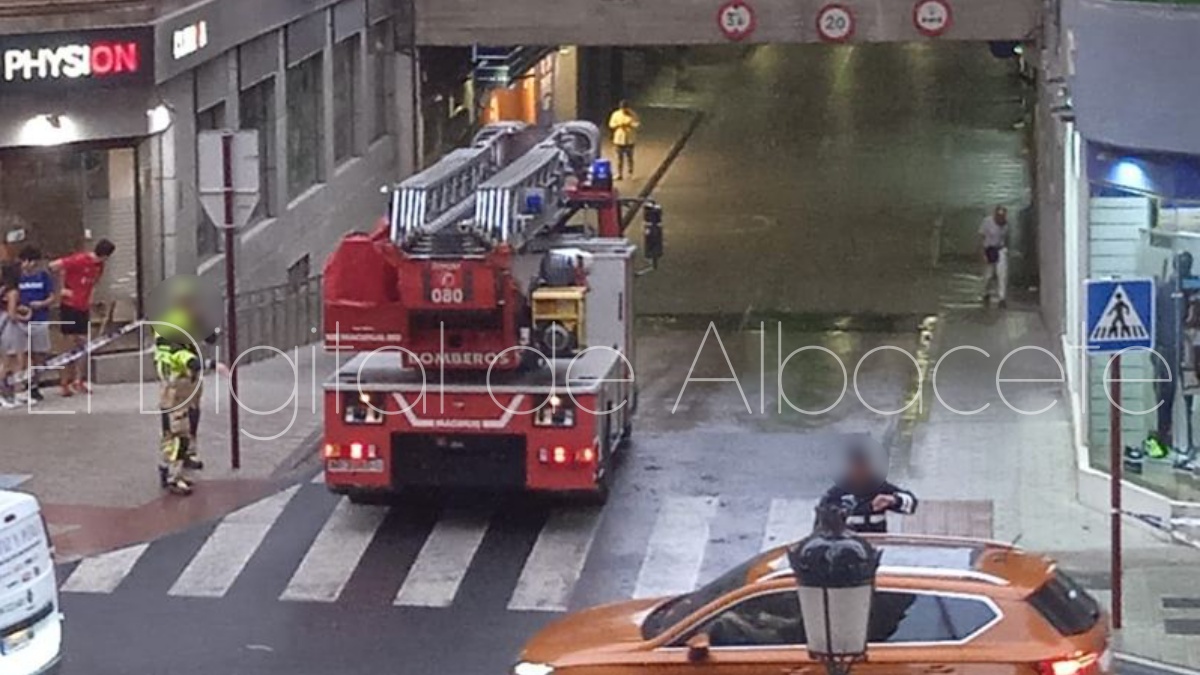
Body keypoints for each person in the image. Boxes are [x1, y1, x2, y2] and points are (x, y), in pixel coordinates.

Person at [153, 279, 220, 495]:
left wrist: (205, 325)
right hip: (175, 382)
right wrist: (203, 363)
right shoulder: (170, 323)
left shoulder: (191, 318)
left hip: (190, 380)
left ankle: (185, 457)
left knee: (191, 418)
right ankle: (172, 474)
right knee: (176, 429)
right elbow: (173, 354)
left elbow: (210, 339)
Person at [50, 238, 115, 396]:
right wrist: (61, 289)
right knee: (68, 344)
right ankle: (65, 382)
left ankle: (79, 380)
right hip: (69, 306)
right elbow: (54, 266)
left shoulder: (99, 266)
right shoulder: (79, 260)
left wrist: (91, 301)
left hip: (83, 307)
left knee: (83, 344)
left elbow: (94, 284)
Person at [822, 437, 917, 533]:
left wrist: (894, 500)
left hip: (878, 541)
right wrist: (869, 507)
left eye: (864, 466)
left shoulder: (879, 487)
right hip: (848, 543)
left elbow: (911, 504)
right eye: (857, 467)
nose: (861, 471)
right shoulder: (837, 492)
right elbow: (827, 515)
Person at [18, 246, 56, 402]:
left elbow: (52, 296)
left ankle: (35, 384)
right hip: (21, 321)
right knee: (21, 353)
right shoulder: (17, 278)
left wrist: (41, 303)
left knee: (39, 353)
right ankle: (21, 384)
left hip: (39, 319)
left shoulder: (43, 276)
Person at [0, 263, 31, 408]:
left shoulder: (3, 290)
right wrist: (24, 317)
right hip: (10, 327)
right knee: (11, 361)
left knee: (11, 361)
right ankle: (4, 394)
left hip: (2, 324)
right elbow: (12, 314)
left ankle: (17, 392)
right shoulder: (13, 291)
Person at [979, 206, 1009, 309]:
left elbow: (1005, 237)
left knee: (1002, 274)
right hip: (989, 249)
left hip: (1000, 249)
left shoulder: (1005, 224)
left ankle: (1002, 298)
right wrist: (982, 252)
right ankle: (985, 292)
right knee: (988, 275)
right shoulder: (987, 222)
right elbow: (981, 237)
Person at [607, 100, 641, 181]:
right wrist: (619, 125)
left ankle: (630, 173)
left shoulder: (633, 114)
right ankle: (619, 174)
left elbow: (637, 124)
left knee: (630, 157)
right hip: (619, 139)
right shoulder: (616, 114)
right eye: (623, 108)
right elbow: (611, 124)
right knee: (619, 158)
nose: (624, 110)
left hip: (630, 139)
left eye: (625, 108)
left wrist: (630, 124)